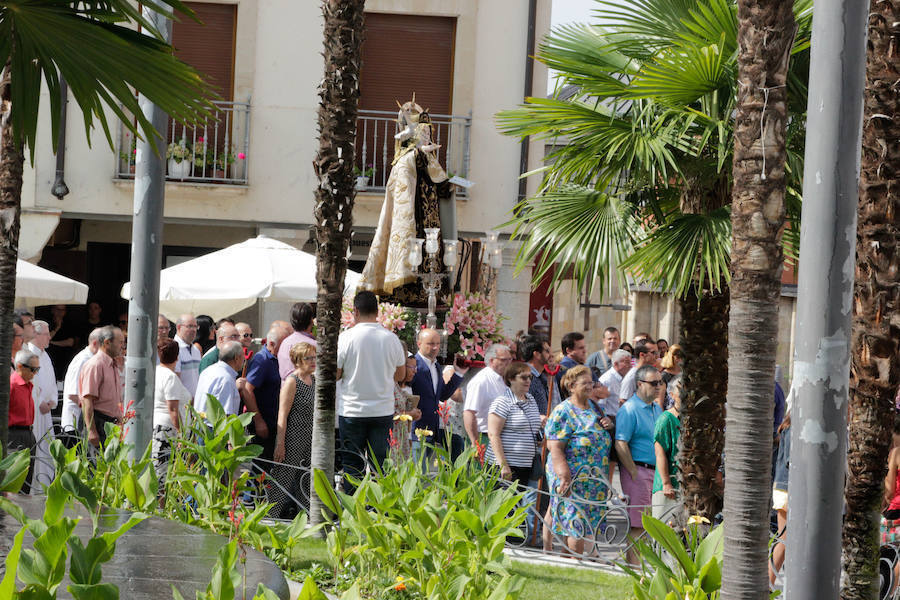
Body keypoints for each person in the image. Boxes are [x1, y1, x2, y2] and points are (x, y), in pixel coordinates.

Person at [337, 291, 406, 491]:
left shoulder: (346, 337)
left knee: (352, 467)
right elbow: (401, 375)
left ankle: (351, 513)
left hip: (352, 410)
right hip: (382, 411)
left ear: (355, 311)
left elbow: (336, 374)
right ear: (377, 312)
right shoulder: (391, 338)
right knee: (380, 467)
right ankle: (378, 512)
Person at [545, 365, 614, 555]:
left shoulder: (594, 407)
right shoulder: (563, 411)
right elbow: (555, 446)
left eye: (592, 382)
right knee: (575, 524)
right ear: (571, 386)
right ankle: (573, 563)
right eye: (585, 383)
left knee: (586, 525)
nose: (590, 386)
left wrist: (608, 424)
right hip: (571, 477)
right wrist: (563, 474)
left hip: (592, 480)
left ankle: (570, 562)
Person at [615, 364, 663, 564]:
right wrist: (633, 471)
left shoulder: (656, 408)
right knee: (639, 524)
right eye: (654, 383)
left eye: (660, 382)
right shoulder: (630, 409)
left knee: (649, 523)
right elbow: (621, 442)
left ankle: (640, 565)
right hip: (640, 472)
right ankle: (634, 568)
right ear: (639, 384)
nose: (658, 386)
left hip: (655, 473)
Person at [270, 342, 317, 518]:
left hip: (309, 438)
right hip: (292, 437)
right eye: (308, 358)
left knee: (306, 481)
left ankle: (307, 518)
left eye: (314, 357)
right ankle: (269, 516)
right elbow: (282, 414)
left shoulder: (314, 380)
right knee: (283, 478)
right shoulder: (292, 381)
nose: (313, 361)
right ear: (297, 361)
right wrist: (280, 444)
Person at [486, 361, 545, 484]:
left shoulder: (531, 400)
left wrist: (539, 439)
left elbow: (531, 429)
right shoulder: (502, 402)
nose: (528, 381)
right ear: (511, 379)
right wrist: (503, 465)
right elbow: (493, 434)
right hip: (506, 467)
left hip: (526, 466)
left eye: (530, 377)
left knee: (520, 502)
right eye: (523, 377)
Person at [409, 328, 464, 453]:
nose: (435, 348)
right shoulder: (413, 365)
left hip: (432, 433)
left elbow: (442, 395)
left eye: (438, 344)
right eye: (430, 344)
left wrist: (459, 373)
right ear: (419, 344)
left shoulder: (436, 366)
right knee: (417, 471)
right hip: (416, 432)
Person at [152, 338, 193, 485]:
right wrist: (181, 434)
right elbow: (173, 409)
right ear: (177, 357)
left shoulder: (156, 372)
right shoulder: (170, 377)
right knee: (164, 472)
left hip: (159, 425)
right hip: (168, 430)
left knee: (161, 470)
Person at [244, 325, 288, 461]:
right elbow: (247, 389)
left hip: (274, 422)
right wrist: (258, 421)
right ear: (271, 344)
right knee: (262, 467)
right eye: (283, 345)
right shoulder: (262, 360)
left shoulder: (278, 358)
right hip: (264, 423)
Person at [79, 326, 125, 448]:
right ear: (107, 342)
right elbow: (87, 401)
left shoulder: (112, 364)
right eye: (120, 342)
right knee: (97, 465)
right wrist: (92, 431)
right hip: (98, 423)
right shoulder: (96, 365)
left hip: (110, 425)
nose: (123, 346)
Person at [463, 344, 513, 447]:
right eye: (504, 360)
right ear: (491, 361)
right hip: (484, 437)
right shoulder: (481, 381)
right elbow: (469, 412)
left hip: (501, 437)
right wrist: (475, 442)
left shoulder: (503, 379)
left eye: (510, 359)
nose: (508, 363)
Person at [27, 320, 57, 486]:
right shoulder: (30, 355)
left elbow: (50, 382)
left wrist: (52, 400)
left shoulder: (45, 356)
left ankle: (44, 485)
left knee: (46, 450)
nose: (49, 337)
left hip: (46, 411)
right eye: (46, 334)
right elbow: (31, 384)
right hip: (36, 412)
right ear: (36, 334)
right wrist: (40, 402)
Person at [652, 375, 682, 522]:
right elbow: (660, 453)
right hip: (669, 485)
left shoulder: (691, 420)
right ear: (672, 395)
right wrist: (666, 483)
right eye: (682, 390)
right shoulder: (665, 419)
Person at [61, 328, 102, 435]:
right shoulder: (82, 360)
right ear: (95, 343)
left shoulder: (93, 359)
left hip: (86, 422)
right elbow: (73, 394)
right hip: (75, 424)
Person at [9, 349, 39, 493]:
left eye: (37, 369)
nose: (35, 373)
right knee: (14, 480)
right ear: (20, 366)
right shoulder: (11, 385)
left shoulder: (28, 385)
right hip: (14, 435)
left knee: (27, 479)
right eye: (33, 369)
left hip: (28, 434)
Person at [194, 341, 246, 419]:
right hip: (213, 428)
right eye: (243, 356)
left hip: (200, 424)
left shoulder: (208, 370)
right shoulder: (225, 379)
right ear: (236, 358)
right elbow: (225, 415)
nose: (244, 360)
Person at [770, 411, 791, 585]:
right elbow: (792, 461)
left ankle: (768, 583)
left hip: (784, 489)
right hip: (788, 490)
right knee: (785, 541)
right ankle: (767, 583)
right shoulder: (794, 429)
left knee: (785, 540)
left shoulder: (787, 428)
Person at [392, 353, 423, 461]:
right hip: (392, 442)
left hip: (402, 439)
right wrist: (409, 414)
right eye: (412, 367)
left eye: (416, 367)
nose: (415, 371)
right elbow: (387, 414)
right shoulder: (388, 385)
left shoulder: (399, 387)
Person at [522, 334, 560, 417]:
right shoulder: (525, 376)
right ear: (536, 354)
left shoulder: (541, 377)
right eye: (547, 351)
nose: (552, 355)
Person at [279, 302, 317, 379]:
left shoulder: (285, 343)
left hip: (286, 388)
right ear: (311, 321)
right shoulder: (314, 345)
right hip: (306, 388)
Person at [618, 338, 659, 404]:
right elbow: (623, 402)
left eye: (657, 352)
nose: (657, 356)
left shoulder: (653, 373)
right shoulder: (631, 377)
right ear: (642, 355)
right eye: (653, 353)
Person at [598, 349, 634, 416]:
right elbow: (600, 406)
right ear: (616, 364)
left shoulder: (626, 377)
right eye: (627, 362)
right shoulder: (606, 380)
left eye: (630, 362)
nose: (630, 366)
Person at [174, 314, 202, 396]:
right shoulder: (174, 349)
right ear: (179, 327)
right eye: (189, 326)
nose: (194, 330)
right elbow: (175, 380)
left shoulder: (196, 350)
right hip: (181, 403)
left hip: (195, 403)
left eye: (195, 327)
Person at [47, 304, 77, 371]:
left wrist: (51, 342)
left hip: (64, 359)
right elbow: (45, 340)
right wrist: (57, 328)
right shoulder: (46, 323)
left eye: (62, 310)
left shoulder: (69, 324)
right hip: (50, 358)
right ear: (52, 310)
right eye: (58, 309)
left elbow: (70, 342)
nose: (60, 312)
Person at [659, 344, 684, 409]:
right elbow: (660, 401)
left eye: (682, 355)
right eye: (678, 355)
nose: (680, 359)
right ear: (671, 356)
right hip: (669, 411)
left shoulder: (684, 372)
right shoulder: (664, 375)